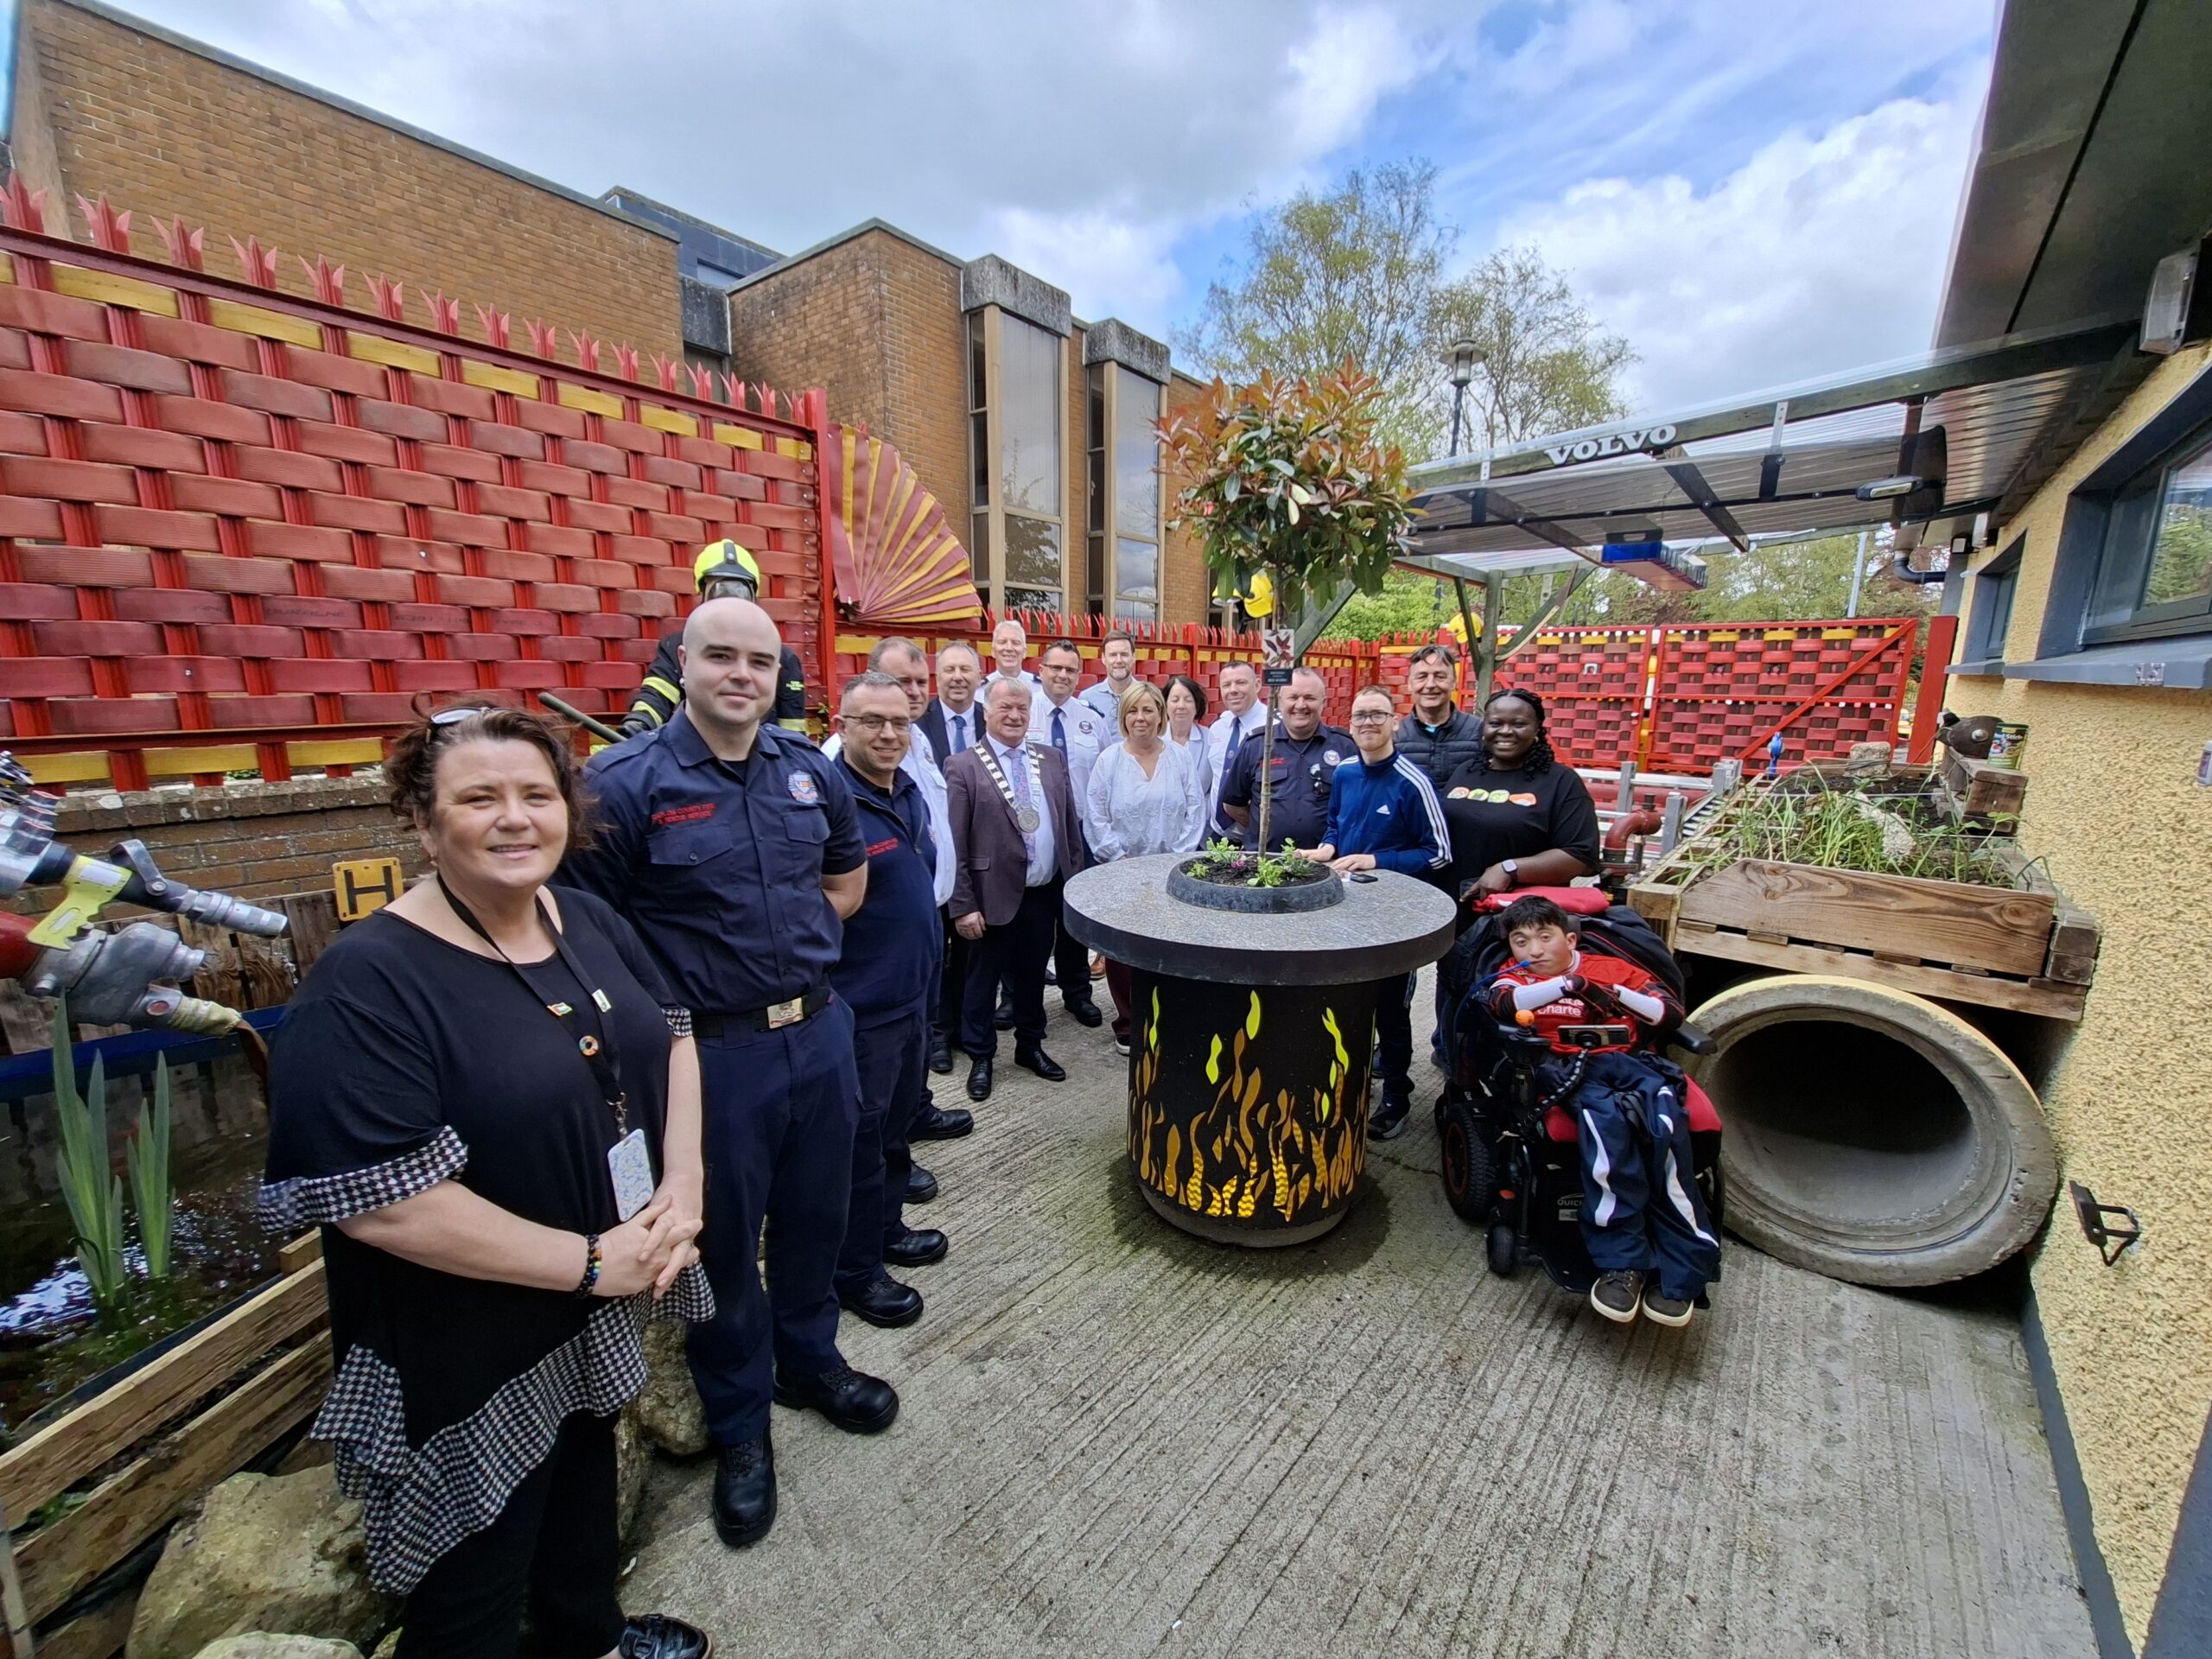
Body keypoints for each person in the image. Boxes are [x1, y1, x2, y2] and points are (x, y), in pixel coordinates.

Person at [262, 701, 711, 1659]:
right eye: (479, 798)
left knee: (584, 1487)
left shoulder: (581, 914)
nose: (515, 817)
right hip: (467, 1347)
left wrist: (684, 1182)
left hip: (593, 1297)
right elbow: (384, 1206)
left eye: (535, 795)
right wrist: (594, 1260)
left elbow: (668, 1032)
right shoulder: (366, 983)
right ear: (423, 823)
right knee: (473, 1575)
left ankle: (587, 1637)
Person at [562, 597, 894, 1556]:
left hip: (818, 1033)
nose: (742, 676)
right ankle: (742, 1428)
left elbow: (844, 879)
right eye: (720, 657)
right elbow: (589, 935)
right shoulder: (623, 786)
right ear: (683, 663)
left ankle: (811, 1362)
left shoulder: (807, 773)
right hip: (707, 1059)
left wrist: (795, 957)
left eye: (760, 660)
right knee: (718, 1247)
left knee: (816, 1215)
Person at [1485, 894, 1719, 1326]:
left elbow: (1668, 1013)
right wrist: (1568, 986)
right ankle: (1621, 1264)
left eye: (1544, 937)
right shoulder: (1514, 979)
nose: (1533, 950)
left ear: (1570, 938)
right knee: (1607, 1131)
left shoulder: (1616, 969)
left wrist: (1612, 993)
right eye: (1520, 941)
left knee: (1666, 1131)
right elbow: (1501, 1005)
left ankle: (1683, 1274)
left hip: (1632, 1062)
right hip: (1567, 1068)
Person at [824, 672, 950, 1332]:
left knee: (896, 1128)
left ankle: (888, 1228)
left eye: (899, 722)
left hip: (910, 1001)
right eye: (872, 721)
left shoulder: (906, 789)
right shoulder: (829, 802)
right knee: (859, 1142)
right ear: (842, 725)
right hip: (859, 1009)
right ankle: (854, 1271)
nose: (888, 734)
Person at [824, 639, 971, 1141]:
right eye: (899, 682)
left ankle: (912, 1115)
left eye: (916, 684)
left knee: (912, 1057)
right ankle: (886, 1152)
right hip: (872, 974)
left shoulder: (914, 744)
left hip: (922, 938)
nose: (911, 695)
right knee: (872, 1091)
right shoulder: (831, 785)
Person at [1300, 684, 1451, 1138]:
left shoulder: (1413, 782)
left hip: (1394, 919)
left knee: (1390, 1009)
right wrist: (1327, 848)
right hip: (1343, 910)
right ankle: (1343, 1084)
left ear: (1395, 721)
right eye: (1361, 716)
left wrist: (1377, 860)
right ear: (1350, 724)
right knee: (1342, 1002)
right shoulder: (1344, 772)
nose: (1368, 723)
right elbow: (1336, 823)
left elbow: (1440, 852)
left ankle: (1397, 1097)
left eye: (1377, 715)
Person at [946, 676, 1088, 1101]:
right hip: (989, 900)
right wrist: (963, 904)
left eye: (1022, 709)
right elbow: (955, 843)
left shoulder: (1050, 758)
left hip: (1043, 892)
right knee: (982, 981)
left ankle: (1030, 1046)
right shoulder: (964, 765)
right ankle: (981, 1056)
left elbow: (1067, 826)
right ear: (986, 711)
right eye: (1005, 707)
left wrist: (1074, 884)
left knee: (1030, 977)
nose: (1014, 715)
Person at [1083, 681, 1205, 1054]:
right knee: (1124, 952)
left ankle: (1169, 1017)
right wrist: (1119, 859)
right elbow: (1095, 815)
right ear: (1123, 717)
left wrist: (1176, 858)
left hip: (1171, 871)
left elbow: (1195, 809)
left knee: (1170, 946)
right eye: (1133, 710)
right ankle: (1128, 1023)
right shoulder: (1109, 760)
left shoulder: (1180, 758)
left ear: (1161, 715)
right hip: (1122, 871)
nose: (1141, 717)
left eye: (1149, 710)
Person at [624, 540, 807, 736]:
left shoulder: (781, 656)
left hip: (762, 753)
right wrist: (641, 720)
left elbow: (793, 727)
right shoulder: (680, 644)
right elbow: (658, 692)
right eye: (720, 591)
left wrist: (786, 757)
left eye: (738, 592)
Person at [1439, 688, 1601, 906]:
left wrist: (1510, 868)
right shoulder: (1465, 772)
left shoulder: (1561, 782)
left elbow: (1581, 855)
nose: (1505, 731)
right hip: (1453, 906)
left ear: (1537, 729)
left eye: (1518, 724)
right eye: (1496, 723)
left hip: (1521, 916)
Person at [1027, 639, 1107, 1028]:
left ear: (1079, 675)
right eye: (1055, 668)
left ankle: (1077, 993)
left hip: (1079, 834)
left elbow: (1106, 771)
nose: (1062, 675)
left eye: (1070, 670)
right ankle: (1021, 998)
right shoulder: (1023, 713)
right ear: (1040, 669)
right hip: (1036, 833)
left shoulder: (1091, 719)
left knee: (1075, 916)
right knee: (1033, 920)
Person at [917, 641, 983, 1079]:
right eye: (950, 669)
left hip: (981, 857)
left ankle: (964, 1027)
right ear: (937, 676)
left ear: (980, 676)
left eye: (966, 669)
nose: (958, 676)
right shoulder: (918, 723)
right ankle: (938, 1033)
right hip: (934, 859)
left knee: (972, 951)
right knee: (937, 951)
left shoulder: (991, 719)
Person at [1215, 665, 1353, 853]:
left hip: (1324, 861)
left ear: (1324, 702)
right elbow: (1232, 804)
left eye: (1310, 698)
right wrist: (1263, 826)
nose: (1301, 705)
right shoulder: (1256, 745)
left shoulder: (1345, 747)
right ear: (1279, 701)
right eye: (1293, 697)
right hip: (1265, 863)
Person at [1395, 643, 1483, 789]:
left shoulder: (1477, 731)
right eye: (1421, 677)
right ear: (1409, 684)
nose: (1430, 685)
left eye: (1440, 676)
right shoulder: (1395, 735)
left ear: (1454, 682)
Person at [1202, 661, 1268, 840]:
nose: (1233, 690)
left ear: (1257, 685)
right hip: (1218, 836)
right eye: (1226, 685)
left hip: (1257, 839)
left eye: (1241, 683)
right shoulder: (1218, 728)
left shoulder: (1274, 727)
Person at [1164, 673, 1213, 839]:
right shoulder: (1153, 740)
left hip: (1202, 832)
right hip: (1161, 831)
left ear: (1197, 705)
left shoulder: (1211, 739)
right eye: (1175, 699)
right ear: (1165, 704)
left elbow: (1213, 790)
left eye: (1188, 699)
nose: (1181, 706)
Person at [1077, 630, 1141, 723]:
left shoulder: (1147, 696)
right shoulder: (1088, 698)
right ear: (1103, 658)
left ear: (1133, 657)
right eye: (1113, 655)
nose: (1119, 660)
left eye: (1124, 654)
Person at [981, 617, 1040, 698]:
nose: (1009, 648)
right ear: (993, 651)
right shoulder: (979, 690)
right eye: (1002, 642)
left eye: (1016, 643)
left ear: (1024, 652)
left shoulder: (1041, 688)